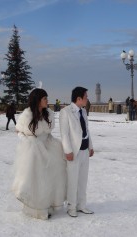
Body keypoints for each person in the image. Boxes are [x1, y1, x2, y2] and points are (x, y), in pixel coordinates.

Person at [12, 88, 67, 220]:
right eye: (45, 99)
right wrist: (29, 142)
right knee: (36, 179)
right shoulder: (27, 115)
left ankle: (48, 205)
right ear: (38, 100)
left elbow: (47, 133)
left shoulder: (49, 113)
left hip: (48, 146)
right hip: (32, 150)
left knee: (50, 177)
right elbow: (19, 131)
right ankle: (36, 209)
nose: (47, 101)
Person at [59, 86, 94, 218]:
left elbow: (87, 131)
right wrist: (68, 150)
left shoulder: (83, 112)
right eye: (85, 97)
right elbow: (64, 134)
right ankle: (71, 207)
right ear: (78, 98)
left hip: (85, 150)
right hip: (74, 151)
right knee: (73, 180)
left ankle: (81, 205)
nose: (87, 99)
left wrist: (90, 146)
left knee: (83, 180)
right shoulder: (66, 112)